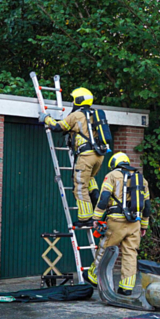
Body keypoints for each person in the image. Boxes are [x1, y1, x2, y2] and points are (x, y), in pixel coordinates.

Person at [86, 152, 151, 295]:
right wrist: (144, 226)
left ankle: (93, 277)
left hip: (116, 221)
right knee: (130, 254)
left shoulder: (113, 176)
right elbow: (147, 206)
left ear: (114, 164)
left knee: (105, 248)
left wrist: (96, 218)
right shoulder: (141, 179)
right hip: (135, 223)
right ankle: (126, 288)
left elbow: (104, 198)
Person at [42, 87, 106, 227]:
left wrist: (46, 118)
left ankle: (85, 218)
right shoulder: (95, 114)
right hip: (98, 156)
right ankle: (95, 198)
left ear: (78, 100)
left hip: (86, 156)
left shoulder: (76, 116)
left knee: (80, 186)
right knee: (89, 179)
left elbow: (58, 127)